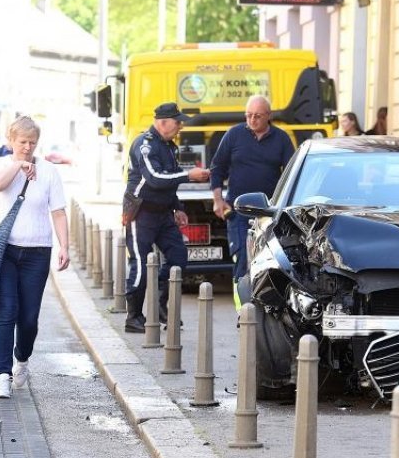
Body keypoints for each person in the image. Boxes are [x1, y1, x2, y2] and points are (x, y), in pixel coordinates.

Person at [0, 115, 69, 398]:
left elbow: (58, 211)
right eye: (22, 142)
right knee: (7, 312)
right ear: (11, 141)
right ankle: (2, 375)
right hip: (5, 251)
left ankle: (22, 358)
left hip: (37, 253)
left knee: (30, 318)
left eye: (32, 143)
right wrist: (18, 166)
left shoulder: (48, 171)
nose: (27, 147)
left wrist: (64, 247)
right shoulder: (0, 164)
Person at [122, 102, 210, 333]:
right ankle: (133, 317)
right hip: (140, 213)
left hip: (162, 213)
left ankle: (160, 306)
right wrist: (189, 175)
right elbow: (155, 178)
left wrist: (178, 207)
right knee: (140, 263)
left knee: (178, 256)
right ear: (162, 122)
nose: (180, 126)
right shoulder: (144, 145)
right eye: (177, 121)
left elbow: (168, 179)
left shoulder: (169, 146)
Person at [210, 95, 295, 309]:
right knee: (241, 258)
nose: (252, 120)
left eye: (257, 116)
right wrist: (218, 200)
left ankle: (266, 307)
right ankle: (243, 310)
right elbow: (217, 167)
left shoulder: (281, 139)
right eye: (248, 115)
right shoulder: (234, 135)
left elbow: (292, 174)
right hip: (238, 211)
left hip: (269, 212)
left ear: (269, 116)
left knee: (269, 259)